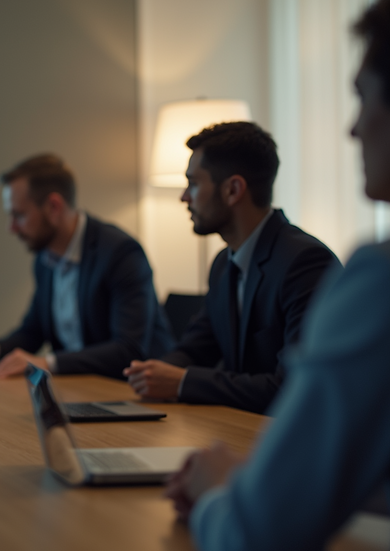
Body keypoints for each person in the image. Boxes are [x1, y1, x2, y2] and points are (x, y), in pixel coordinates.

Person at [164, 3, 390, 548]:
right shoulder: (224, 266)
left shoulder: (365, 280)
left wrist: (223, 488)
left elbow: (253, 532)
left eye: (363, 95)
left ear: (233, 188)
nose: (353, 127)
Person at [123, 122, 338, 414]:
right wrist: (151, 373)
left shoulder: (305, 263)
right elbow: (197, 348)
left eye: (194, 184)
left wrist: (183, 382)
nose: (184, 197)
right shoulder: (224, 264)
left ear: (233, 190)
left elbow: (293, 387)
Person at [0, 154, 175, 379]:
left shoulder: (120, 253)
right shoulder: (46, 260)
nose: (12, 228)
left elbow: (128, 350)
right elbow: (33, 332)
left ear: (54, 207)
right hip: (81, 389)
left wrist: (48, 362)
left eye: (19, 215)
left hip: (133, 392)